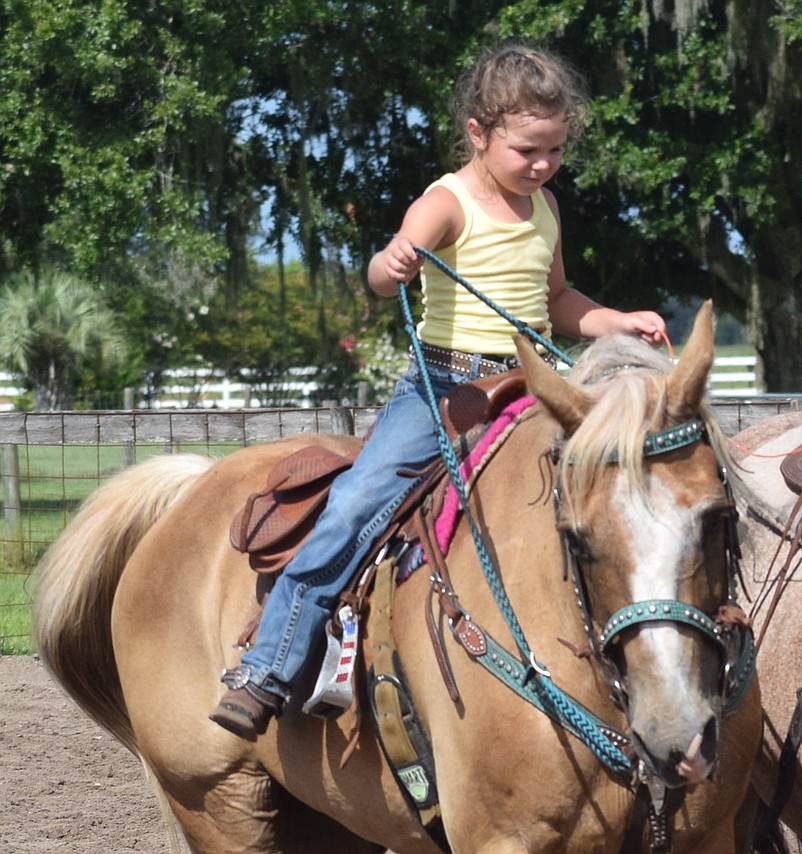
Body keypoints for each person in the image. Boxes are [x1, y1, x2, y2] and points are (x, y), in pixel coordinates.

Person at [210, 44, 666, 740]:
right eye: (527, 150)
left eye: (554, 150)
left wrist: (617, 320)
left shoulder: (544, 207)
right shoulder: (446, 203)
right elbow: (382, 273)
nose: (542, 165)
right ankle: (268, 667)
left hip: (537, 385)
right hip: (446, 388)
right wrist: (390, 265)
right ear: (479, 133)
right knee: (359, 502)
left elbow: (558, 299)